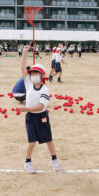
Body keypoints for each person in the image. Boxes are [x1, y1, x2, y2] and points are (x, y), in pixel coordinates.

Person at [18, 45, 61, 173]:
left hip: (41, 117)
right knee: (32, 142)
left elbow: (41, 107)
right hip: (30, 118)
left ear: (42, 76)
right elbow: (22, 68)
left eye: (36, 73)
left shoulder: (45, 90)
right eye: (32, 73)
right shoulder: (29, 84)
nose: (33, 75)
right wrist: (25, 52)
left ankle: (54, 160)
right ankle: (28, 162)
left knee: (48, 140)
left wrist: (26, 108)